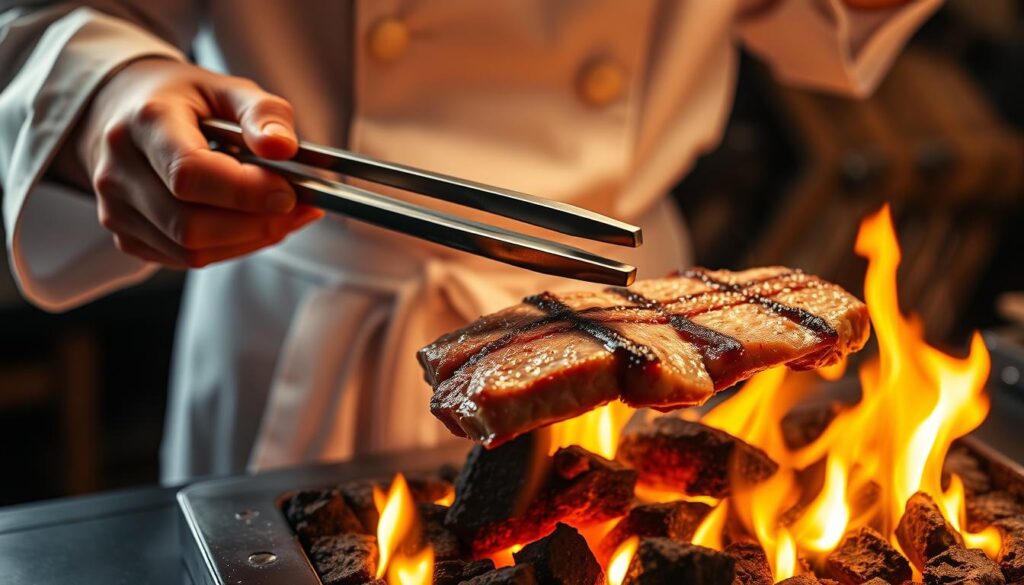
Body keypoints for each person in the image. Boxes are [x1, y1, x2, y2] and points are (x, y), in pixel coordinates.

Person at [0, 0, 940, 483]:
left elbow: (823, 24)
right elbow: (41, 22)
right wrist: (112, 93)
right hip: (305, 311)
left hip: (640, 322)